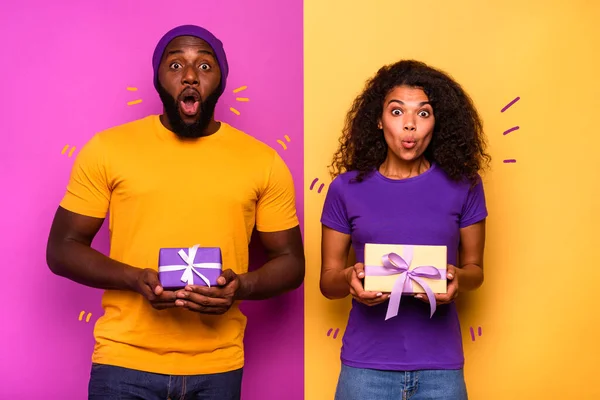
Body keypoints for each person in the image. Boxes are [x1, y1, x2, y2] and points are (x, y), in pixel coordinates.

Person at [46, 24, 305, 399]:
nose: (189, 75)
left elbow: (291, 262)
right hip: (123, 362)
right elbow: (62, 248)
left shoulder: (263, 162)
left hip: (217, 366)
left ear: (221, 79)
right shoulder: (108, 149)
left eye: (204, 66)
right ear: (158, 80)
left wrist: (241, 287)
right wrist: (134, 278)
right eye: (175, 65)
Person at [319, 59, 490, 399]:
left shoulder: (465, 185)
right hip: (365, 369)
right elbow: (328, 281)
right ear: (379, 121)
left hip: (440, 369)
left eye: (423, 113)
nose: (409, 125)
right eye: (397, 112)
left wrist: (456, 278)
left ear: (437, 122)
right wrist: (350, 280)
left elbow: (476, 271)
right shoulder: (345, 188)